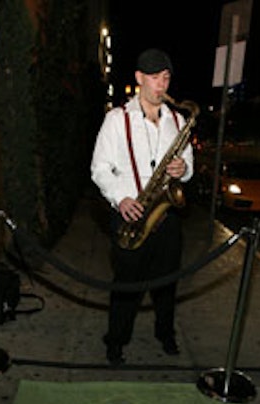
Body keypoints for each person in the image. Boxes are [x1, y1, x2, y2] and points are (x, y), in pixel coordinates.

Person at [91, 48, 194, 365]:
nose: (161, 85)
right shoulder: (117, 119)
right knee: (127, 286)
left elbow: (188, 165)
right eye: (154, 78)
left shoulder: (177, 120)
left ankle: (166, 335)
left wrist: (182, 170)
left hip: (167, 216)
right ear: (139, 79)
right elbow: (99, 168)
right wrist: (120, 197)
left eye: (165, 78)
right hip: (131, 213)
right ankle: (116, 340)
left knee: (167, 285)